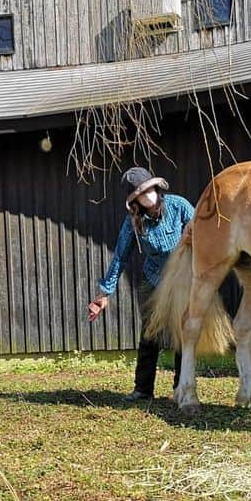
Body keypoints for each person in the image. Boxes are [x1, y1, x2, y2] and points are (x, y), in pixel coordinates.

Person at [88, 166, 195, 401]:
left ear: (156, 187)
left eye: (148, 189)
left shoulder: (179, 206)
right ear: (135, 200)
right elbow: (120, 255)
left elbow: (204, 232)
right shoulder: (134, 222)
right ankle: (143, 389)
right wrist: (104, 293)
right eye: (140, 194)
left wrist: (192, 238)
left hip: (182, 278)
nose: (147, 195)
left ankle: (181, 388)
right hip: (153, 279)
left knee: (182, 332)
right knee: (150, 334)